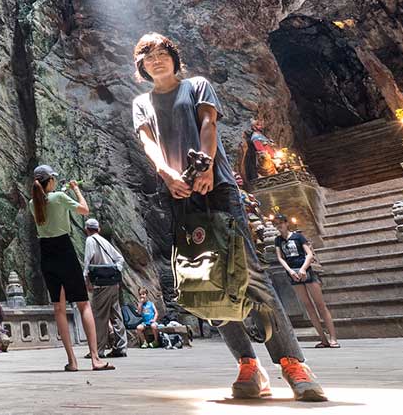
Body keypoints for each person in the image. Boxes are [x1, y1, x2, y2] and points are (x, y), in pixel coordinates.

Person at [131, 33, 325, 401]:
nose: (156, 61)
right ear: (141, 66)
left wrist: (206, 165)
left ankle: (292, 363)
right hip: (180, 195)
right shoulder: (142, 103)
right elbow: (148, 142)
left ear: (174, 57)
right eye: (148, 57)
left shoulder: (196, 85)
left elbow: (209, 124)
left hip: (217, 187)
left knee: (250, 273)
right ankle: (248, 365)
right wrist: (167, 174)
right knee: (205, 279)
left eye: (162, 54)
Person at [30, 164, 115, 372]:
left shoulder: (33, 203)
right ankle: (95, 358)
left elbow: (48, 203)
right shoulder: (59, 197)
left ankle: (72, 361)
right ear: (50, 180)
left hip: (46, 253)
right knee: (83, 304)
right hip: (64, 251)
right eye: (54, 178)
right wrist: (76, 189)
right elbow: (84, 209)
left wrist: (62, 193)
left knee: (59, 308)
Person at [273, 215, 339, 349]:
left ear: (286, 223)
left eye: (281, 223)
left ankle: (333, 338)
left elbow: (309, 254)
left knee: (320, 305)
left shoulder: (298, 236)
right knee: (308, 306)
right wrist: (290, 271)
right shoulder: (278, 240)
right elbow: (280, 258)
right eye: (276, 224)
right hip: (293, 273)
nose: (279, 226)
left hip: (306, 271)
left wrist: (303, 268)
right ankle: (323, 339)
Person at [81, 218, 128, 358]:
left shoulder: (90, 240)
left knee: (99, 316)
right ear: (98, 229)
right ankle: (121, 347)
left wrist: (86, 280)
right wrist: (113, 271)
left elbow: (87, 261)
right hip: (113, 283)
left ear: (86, 229)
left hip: (101, 284)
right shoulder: (104, 241)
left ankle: (98, 350)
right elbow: (120, 259)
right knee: (116, 315)